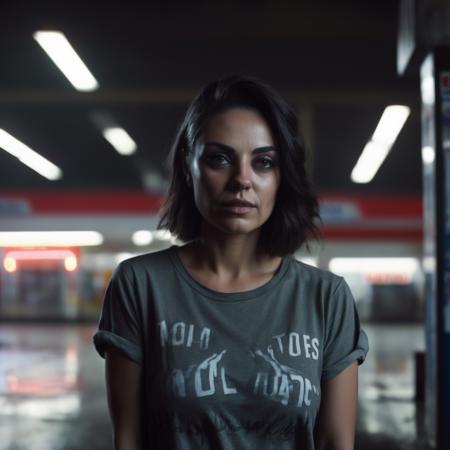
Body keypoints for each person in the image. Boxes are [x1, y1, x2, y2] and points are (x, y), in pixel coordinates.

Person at [93, 75, 369, 450]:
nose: (242, 180)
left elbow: (337, 441)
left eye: (264, 162)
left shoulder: (326, 297)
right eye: (219, 158)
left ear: (281, 178)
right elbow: (128, 439)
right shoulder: (140, 284)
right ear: (188, 169)